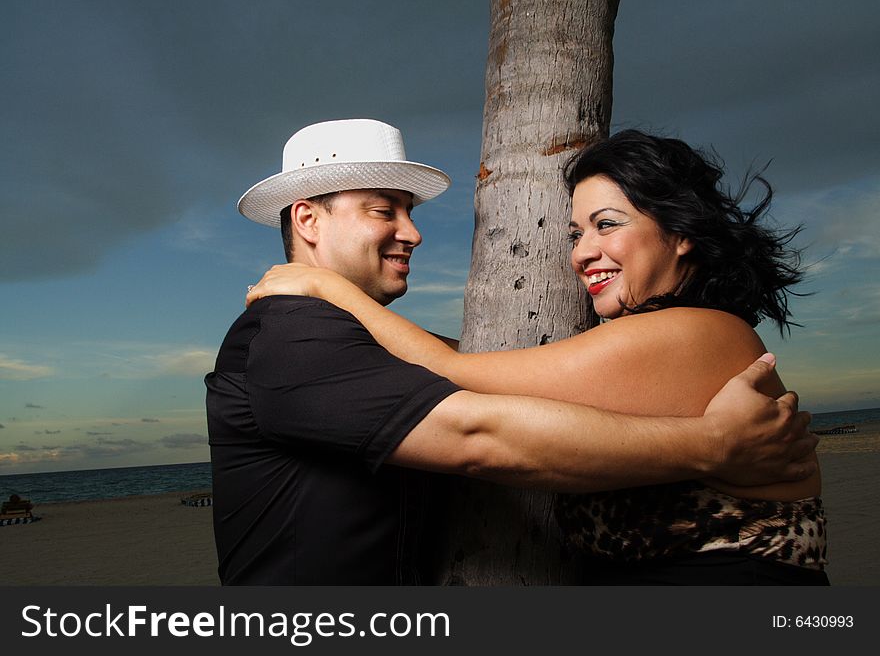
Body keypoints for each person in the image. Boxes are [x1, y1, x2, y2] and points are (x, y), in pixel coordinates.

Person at [209, 119, 815, 585]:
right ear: (308, 221)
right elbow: (479, 423)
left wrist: (329, 286)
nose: (581, 252)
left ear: (681, 234)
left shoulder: (696, 331)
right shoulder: (290, 338)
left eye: (607, 224)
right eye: (382, 210)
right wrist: (715, 445)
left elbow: (460, 373)